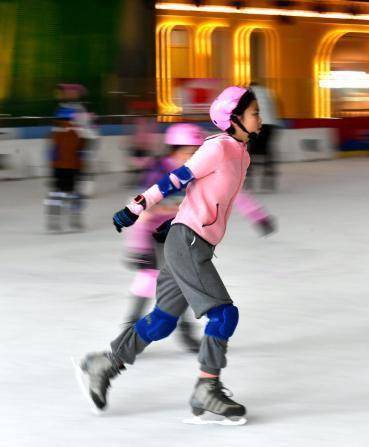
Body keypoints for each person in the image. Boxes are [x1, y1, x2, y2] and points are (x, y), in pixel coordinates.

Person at [75, 86, 262, 425]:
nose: (259, 118)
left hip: (193, 243)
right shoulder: (217, 147)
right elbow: (176, 178)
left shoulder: (241, 154)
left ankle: (105, 363)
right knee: (224, 316)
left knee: (162, 321)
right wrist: (136, 207)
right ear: (233, 118)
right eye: (254, 112)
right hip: (187, 241)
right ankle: (207, 388)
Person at [123, 123, 277, 353]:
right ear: (173, 150)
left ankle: (184, 329)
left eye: (198, 152)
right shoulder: (158, 174)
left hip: (182, 233)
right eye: (189, 151)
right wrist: (139, 248)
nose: (195, 157)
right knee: (148, 278)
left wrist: (257, 214)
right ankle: (129, 328)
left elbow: (233, 192)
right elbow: (141, 212)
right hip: (153, 236)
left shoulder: (202, 171)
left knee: (184, 282)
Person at [44, 107, 86, 231]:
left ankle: (53, 221)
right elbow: (81, 152)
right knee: (74, 194)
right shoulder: (77, 133)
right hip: (73, 168)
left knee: (56, 194)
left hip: (58, 169)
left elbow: (52, 153)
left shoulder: (54, 134)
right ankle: (75, 221)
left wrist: (52, 167)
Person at [248, 82, 281, 191]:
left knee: (250, 151)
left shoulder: (248, 92)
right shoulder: (268, 92)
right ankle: (268, 175)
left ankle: (249, 177)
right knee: (267, 151)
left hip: (257, 124)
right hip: (270, 125)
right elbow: (273, 109)